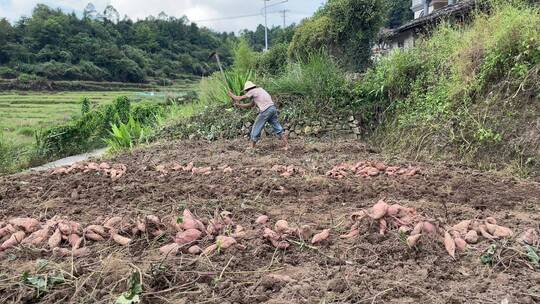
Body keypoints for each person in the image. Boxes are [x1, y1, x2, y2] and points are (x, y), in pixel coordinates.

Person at [227, 81, 289, 150]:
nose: (247, 92)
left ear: (248, 89)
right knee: (277, 127)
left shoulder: (252, 91)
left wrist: (231, 95)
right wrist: (239, 105)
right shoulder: (260, 90)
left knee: (256, 126)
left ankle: (252, 147)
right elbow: (250, 105)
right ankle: (286, 145)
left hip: (266, 111)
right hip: (272, 108)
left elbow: (239, 98)